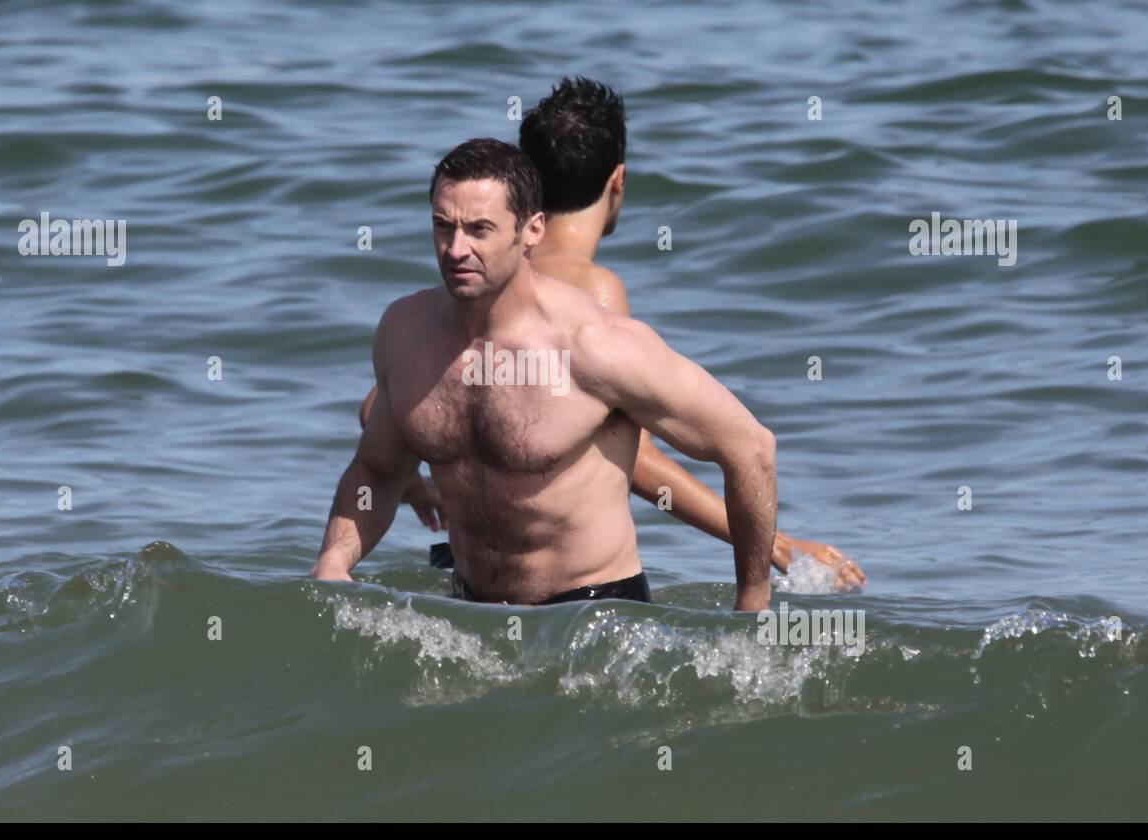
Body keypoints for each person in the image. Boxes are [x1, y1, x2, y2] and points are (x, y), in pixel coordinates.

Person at [363, 78, 865, 590]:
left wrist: (420, 487)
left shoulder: (484, 283)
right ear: (618, 181)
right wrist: (776, 545)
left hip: (471, 563)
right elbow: (640, 460)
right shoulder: (594, 293)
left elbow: (386, 406)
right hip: (559, 584)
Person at [313, 139, 778, 609]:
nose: (456, 249)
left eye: (479, 230)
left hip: (593, 613)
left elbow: (749, 446)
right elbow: (379, 470)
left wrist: (752, 598)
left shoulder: (594, 346)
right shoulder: (404, 332)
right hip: (469, 606)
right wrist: (335, 560)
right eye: (443, 227)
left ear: (532, 230)